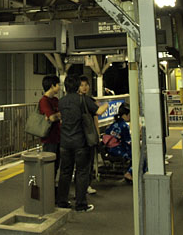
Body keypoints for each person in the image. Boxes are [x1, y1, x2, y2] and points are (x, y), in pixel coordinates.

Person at [57, 74, 108, 212]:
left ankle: (62, 201)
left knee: (65, 172)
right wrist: (106, 104)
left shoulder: (61, 101)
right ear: (77, 86)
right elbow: (99, 111)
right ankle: (80, 204)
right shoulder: (83, 99)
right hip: (80, 142)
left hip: (65, 142)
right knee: (82, 173)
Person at [38, 75, 61, 179]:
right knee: (49, 166)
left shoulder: (55, 100)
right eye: (58, 85)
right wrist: (59, 114)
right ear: (52, 86)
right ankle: (47, 186)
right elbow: (51, 117)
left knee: (56, 165)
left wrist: (56, 115)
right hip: (49, 139)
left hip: (58, 137)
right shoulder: (44, 101)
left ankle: (52, 186)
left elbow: (54, 116)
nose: (59, 87)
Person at [103, 102, 133, 182]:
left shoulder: (114, 124)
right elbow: (128, 142)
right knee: (136, 154)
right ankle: (129, 173)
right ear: (125, 115)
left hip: (108, 149)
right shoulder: (124, 126)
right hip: (117, 150)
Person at [78, 75, 98, 194]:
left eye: (86, 85)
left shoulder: (89, 100)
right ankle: (86, 185)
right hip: (86, 135)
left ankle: (83, 185)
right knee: (87, 162)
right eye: (81, 85)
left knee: (84, 163)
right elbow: (97, 115)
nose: (84, 87)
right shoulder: (89, 101)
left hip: (80, 135)